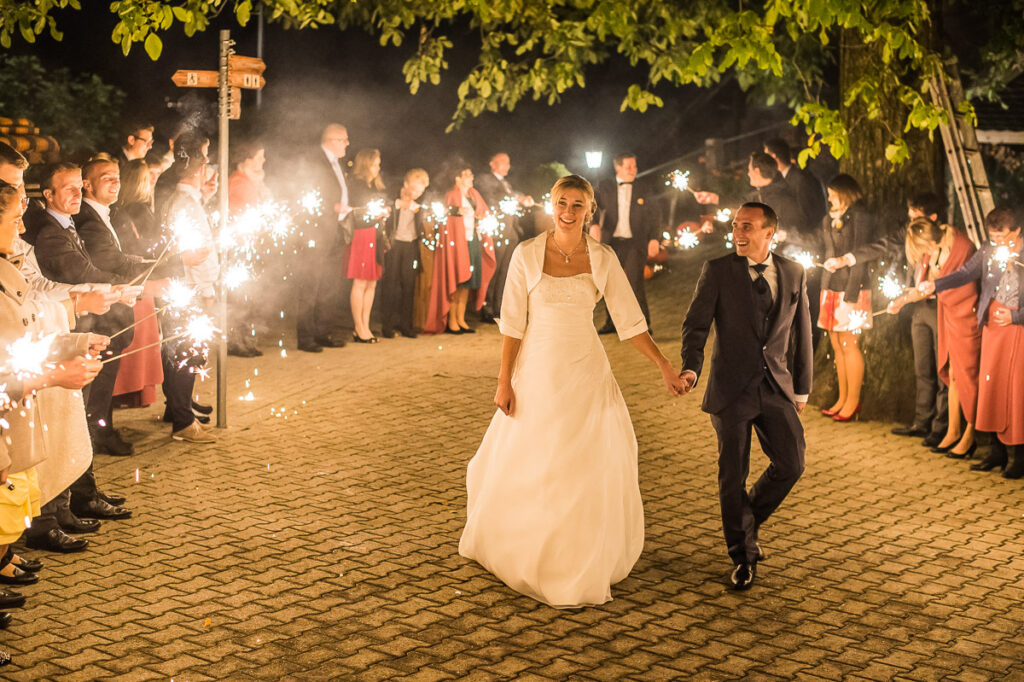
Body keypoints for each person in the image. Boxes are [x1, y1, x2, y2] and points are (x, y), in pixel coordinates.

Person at [459, 174, 684, 607]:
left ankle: (579, 552)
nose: (567, 212)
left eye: (577, 205)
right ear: (552, 203)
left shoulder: (602, 258)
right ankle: (527, 542)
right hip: (538, 369)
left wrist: (664, 366)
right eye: (562, 202)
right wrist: (504, 380)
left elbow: (630, 320)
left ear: (589, 210)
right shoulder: (526, 254)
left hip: (585, 370)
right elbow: (512, 325)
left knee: (585, 461)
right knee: (538, 456)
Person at [680, 202, 812, 590]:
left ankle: (745, 523)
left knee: (792, 463)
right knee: (732, 474)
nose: (739, 232)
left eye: (748, 227)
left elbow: (802, 332)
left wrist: (801, 387)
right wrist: (691, 367)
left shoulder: (793, 272)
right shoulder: (717, 271)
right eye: (736, 225)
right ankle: (742, 557)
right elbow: (696, 325)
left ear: (769, 233)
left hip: (776, 387)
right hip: (731, 389)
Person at [0, 182, 104, 623]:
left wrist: (73, 342)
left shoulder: (8, 269)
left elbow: (24, 336)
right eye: (13, 217)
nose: (23, 227)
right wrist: (54, 377)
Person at [825, 193, 948, 447]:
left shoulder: (945, 242)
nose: (910, 219)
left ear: (933, 218)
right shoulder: (909, 230)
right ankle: (921, 421)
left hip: (940, 307)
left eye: (916, 214)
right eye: (910, 213)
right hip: (917, 305)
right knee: (922, 365)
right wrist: (848, 258)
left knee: (942, 367)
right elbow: (883, 245)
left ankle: (941, 427)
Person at [920, 206, 1024, 478]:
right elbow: (966, 272)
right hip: (991, 329)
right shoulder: (990, 253)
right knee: (991, 386)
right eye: (993, 238)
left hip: (1016, 332)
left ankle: (1017, 456)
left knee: (1013, 391)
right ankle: (996, 452)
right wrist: (936, 285)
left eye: (1003, 237)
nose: (998, 243)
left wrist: (1015, 316)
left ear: (1017, 230)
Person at [888, 217, 981, 459]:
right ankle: (953, 430)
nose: (925, 255)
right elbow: (928, 286)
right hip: (948, 315)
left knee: (967, 375)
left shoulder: (960, 247)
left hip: (964, 315)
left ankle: (970, 434)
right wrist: (902, 300)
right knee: (952, 373)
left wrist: (935, 288)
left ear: (931, 239)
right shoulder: (935, 250)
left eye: (925, 248)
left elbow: (965, 281)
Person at [75, 156, 149, 456]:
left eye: (117, 176)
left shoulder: (108, 213)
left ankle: (103, 431)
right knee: (98, 387)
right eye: (107, 177)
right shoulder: (88, 220)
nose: (116, 181)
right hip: (102, 319)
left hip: (115, 318)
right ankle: (96, 437)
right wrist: (164, 264)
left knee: (105, 384)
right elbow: (109, 261)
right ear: (87, 184)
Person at [158, 141, 219, 444]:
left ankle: (178, 409)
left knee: (182, 351)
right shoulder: (183, 202)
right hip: (188, 287)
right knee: (185, 353)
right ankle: (183, 421)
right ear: (200, 168)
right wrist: (204, 288)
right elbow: (190, 251)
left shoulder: (186, 199)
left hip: (188, 286)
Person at [818, 174, 875, 422]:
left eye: (833, 192)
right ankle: (841, 398)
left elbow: (861, 255)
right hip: (830, 287)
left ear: (845, 192)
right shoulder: (831, 217)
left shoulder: (859, 216)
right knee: (836, 346)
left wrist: (852, 293)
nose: (829, 197)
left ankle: (853, 402)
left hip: (853, 289)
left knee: (849, 346)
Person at [110, 159, 165, 409]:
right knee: (138, 345)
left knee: (137, 346)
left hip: (139, 283)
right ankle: (134, 394)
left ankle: (132, 394)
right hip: (141, 283)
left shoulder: (123, 211)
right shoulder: (139, 211)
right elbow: (146, 247)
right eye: (149, 177)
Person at [295, 124, 352, 352]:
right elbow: (304, 195)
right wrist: (332, 207)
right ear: (332, 140)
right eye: (344, 139)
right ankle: (306, 337)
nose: (348, 143)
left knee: (329, 285)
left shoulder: (337, 164)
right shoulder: (313, 161)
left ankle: (322, 332)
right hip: (315, 233)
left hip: (335, 231)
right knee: (310, 285)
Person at [591, 153, 661, 333]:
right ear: (618, 168)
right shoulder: (605, 186)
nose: (633, 170)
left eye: (635, 166)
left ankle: (643, 324)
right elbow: (592, 205)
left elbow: (655, 214)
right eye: (629, 166)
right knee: (609, 283)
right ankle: (612, 322)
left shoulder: (643, 187)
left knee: (634, 283)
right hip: (611, 242)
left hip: (635, 243)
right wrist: (593, 225)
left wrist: (654, 238)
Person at [424, 161, 495, 334]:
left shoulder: (474, 194)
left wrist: (482, 218)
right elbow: (446, 217)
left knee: (468, 282)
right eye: (468, 175)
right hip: (458, 243)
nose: (472, 178)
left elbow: (484, 212)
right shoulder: (452, 195)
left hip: (473, 240)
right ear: (458, 178)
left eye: (471, 175)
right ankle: (452, 320)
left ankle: (461, 319)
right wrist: (456, 212)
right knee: (459, 279)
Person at [475, 153, 534, 322]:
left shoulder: (505, 183)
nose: (508, 166)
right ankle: (486, 307)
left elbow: (512, 194)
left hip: (511, 231)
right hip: (497, 232)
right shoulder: (486, 180)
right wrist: (518, 199)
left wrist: (523, 197)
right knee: (493, 269)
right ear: (492, 164)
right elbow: (494, 200)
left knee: (505, 272)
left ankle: (498, 307)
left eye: (508, 162)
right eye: (503, 162)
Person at [226, 139, 270, 357]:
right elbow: (239, 214)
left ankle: (248, 340)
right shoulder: (239, 182)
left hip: (254, 243)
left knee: (252, 295)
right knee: (242, 294)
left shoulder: (254, 181)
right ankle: (237, 342)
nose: (264, 161)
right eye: (260, 157)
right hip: (242, 245)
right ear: (248, 159)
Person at [380, 169, 428, 339]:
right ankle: (387, 326)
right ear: (406, 184)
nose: (417, 194)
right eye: (415, 189)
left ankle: (406, 325)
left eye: (421, 191)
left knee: (409, 286)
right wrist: (400, 204)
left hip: (411, 246)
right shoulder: (392, 199)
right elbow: (386, 210)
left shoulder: (420, 205)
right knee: (391, 286)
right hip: (394, 246)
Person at [346, 149, 389, 343]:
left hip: (375, 234)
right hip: (362, 235)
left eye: (378, 164)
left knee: (372, 281)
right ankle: (358, 327)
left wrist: (384, 212)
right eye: (375, 164)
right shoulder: (356, 184)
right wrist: (374, 214)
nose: (378, 168)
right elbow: (354, 211)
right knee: (361, 281)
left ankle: (366, 325)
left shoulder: (375, 185)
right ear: (365, 164)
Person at [763, 138, 827, 232]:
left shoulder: (802, 179)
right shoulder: (784, 179)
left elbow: (808, 215)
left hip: (808, 239)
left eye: (765, 158)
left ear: (774, 157)